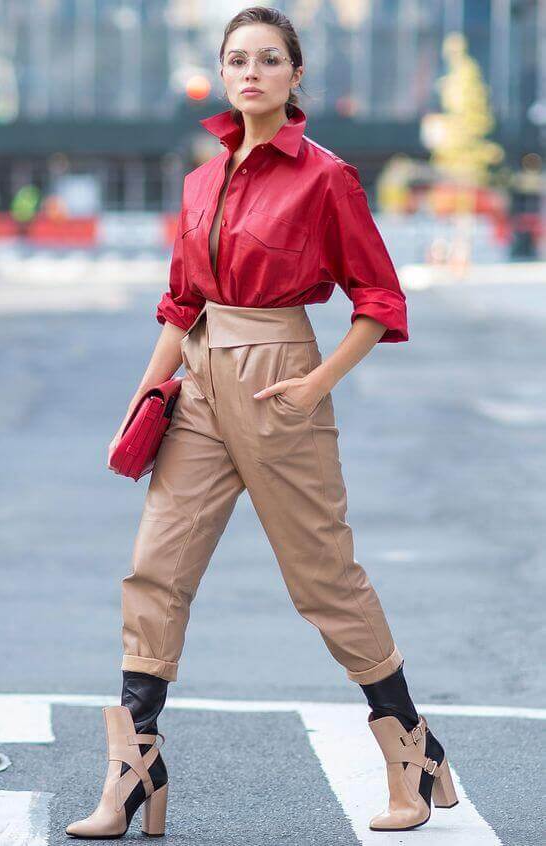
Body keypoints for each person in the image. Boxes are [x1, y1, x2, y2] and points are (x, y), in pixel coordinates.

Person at [66, 6, 458, 839]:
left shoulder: (327, 177)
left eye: (269, 59)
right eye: (237, 58)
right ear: (222, 72)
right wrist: (143, 401)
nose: (252, 72)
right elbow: (180, 305)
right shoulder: (201, 181)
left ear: (294, 75)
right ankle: (135, 772)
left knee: (323, 579)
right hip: (201, 380)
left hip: (282, 377)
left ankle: (412, 749)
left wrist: (315, 385)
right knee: (154, 569)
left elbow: (379, 302)